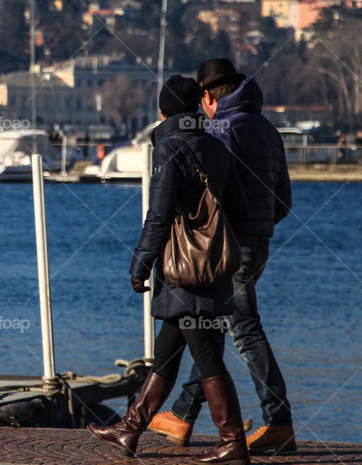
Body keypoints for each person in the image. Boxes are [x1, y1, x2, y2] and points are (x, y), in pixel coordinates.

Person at [87, 75, 250, 464]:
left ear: (164, 111)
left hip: (184, 271)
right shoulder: (216, 146)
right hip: (212, 267)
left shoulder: (168, 149)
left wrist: (140, 263)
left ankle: (232, 440)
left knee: (207, 359)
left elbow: (158, 216)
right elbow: (240, 208)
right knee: (166, 355)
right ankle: (130, 428)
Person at [148, 58, 295, 454]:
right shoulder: (267, 129)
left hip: (229, 249)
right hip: (260, 241)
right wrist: (261, 225)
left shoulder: (224, 130)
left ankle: (278, 421)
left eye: (202, 101)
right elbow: (284, 200)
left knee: (243, 330)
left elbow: (215, 197)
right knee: (212, 327)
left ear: (210, 98)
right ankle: (181, 415)